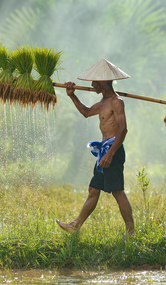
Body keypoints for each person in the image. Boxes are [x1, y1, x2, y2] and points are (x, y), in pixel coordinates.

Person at [56, 59, 134, 236]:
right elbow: (85, 112)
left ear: (103, 83)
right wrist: (72, 95)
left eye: (94, 82)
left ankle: (130, 231)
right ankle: (75, 226)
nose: (92, 85)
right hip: (104, 152)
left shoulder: (116, 102)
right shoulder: (102, 103)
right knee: (94, 189)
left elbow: (123, 130)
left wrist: (111, 154)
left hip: (112, 151)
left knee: (117, 191)